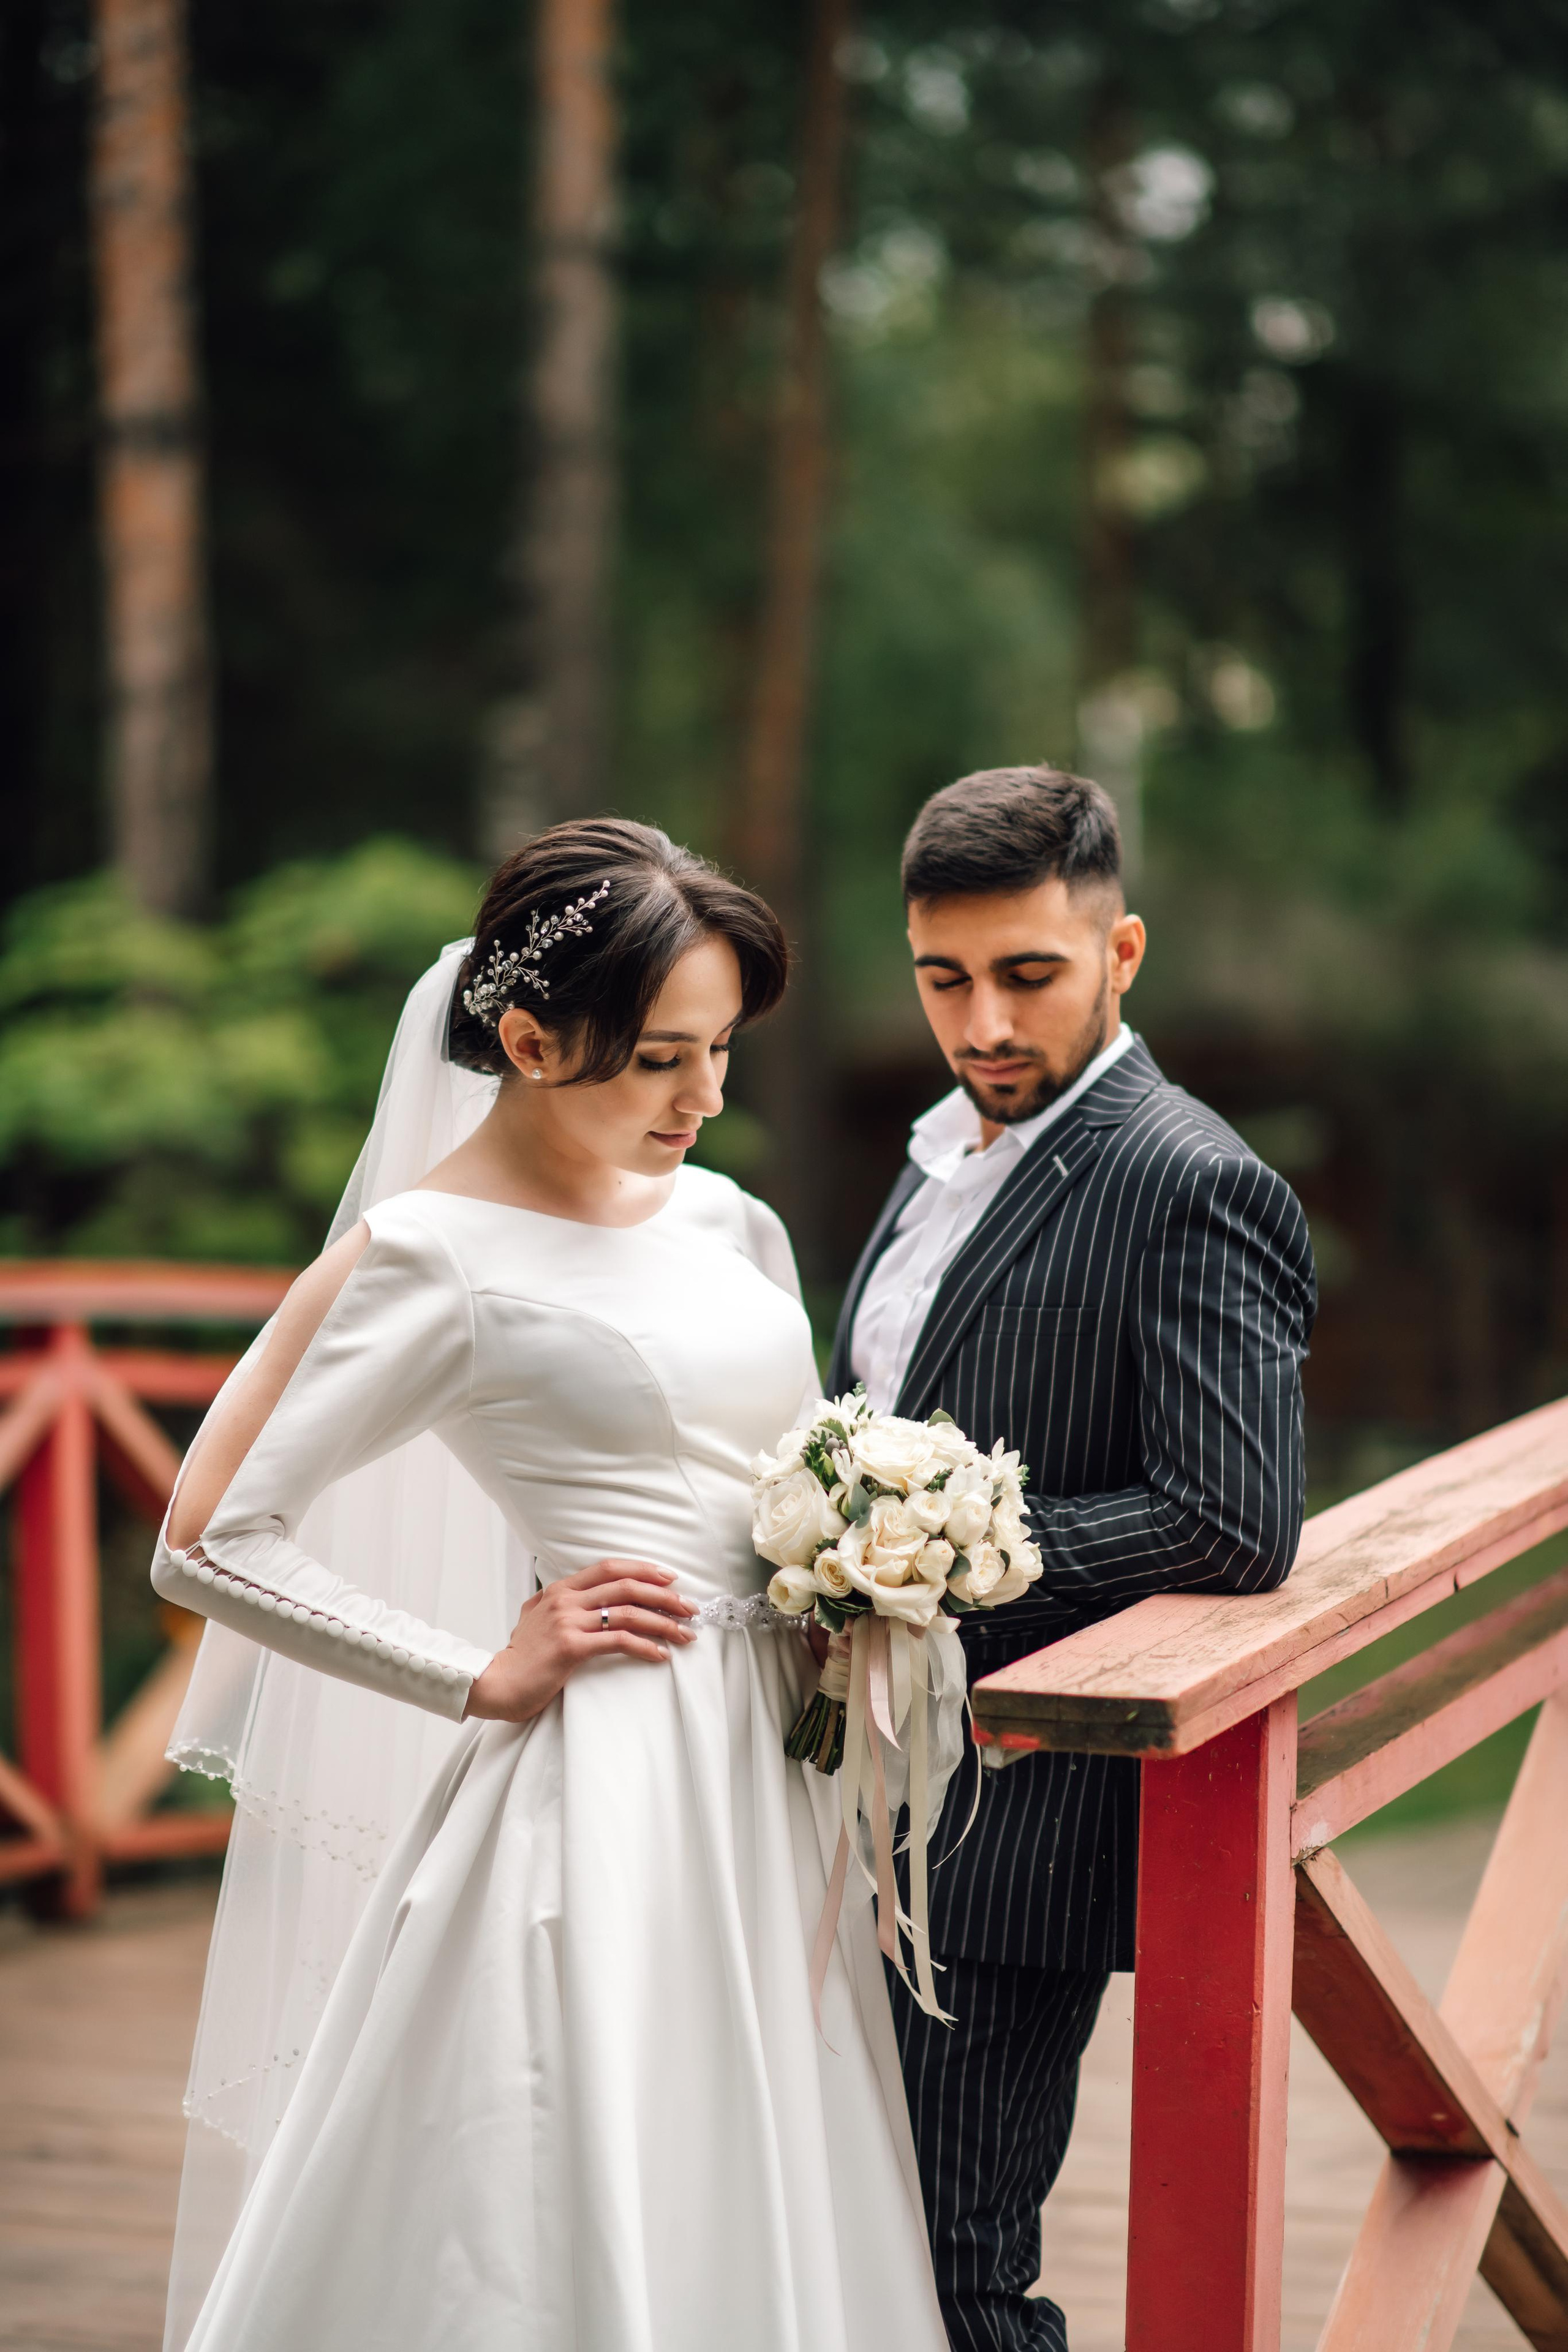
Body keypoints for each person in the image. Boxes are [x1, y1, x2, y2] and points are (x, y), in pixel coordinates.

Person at [153, 819, 948, 2352]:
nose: (705, 1099)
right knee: (571, 2156)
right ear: (525, 1038)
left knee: (764, 2141)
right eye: (661, 1059)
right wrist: (471, 1671)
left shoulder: (730, 1219)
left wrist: (870, 1572)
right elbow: (206, 1534)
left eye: (717, 1050)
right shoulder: (427, 1258)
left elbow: (782, 1471)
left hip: (771, 1770)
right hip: (607, 1779)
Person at [828, 764, 1317, 2352]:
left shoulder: (1191, 1182)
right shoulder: (936, 1155)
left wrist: (932, 1555)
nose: (982, 1024)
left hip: (1012, 1821)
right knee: (848, 2240)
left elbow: (1232, 1519)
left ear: (1121, 956)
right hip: (860, 1797)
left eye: (1028, 976)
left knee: (949, 2274)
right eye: (944, 979)